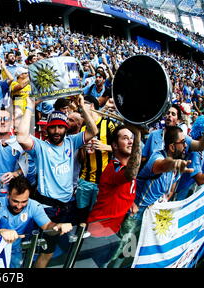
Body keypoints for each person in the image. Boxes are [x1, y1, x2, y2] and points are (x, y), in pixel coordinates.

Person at [16, 96, 98, 268]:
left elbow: (93, 131)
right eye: (53, 128)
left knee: (47, 248)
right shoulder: (41, 147)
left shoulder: (71, 142)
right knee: (46, 250)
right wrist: (30, 107)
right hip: (48, 208)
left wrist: (83, 107)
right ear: (47, 131)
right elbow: (22, 137)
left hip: (67, 205)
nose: (57, 131)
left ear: (66, 129)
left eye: (61, 127)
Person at [108, 125, 194, 268]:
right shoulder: (158, 158)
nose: (186, 146)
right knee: (123, 252)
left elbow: (169, 191)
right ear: (172, 147)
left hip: (153, 216)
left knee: (137, 252)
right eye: (183, 142)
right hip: (137, 214)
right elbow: (161, 165)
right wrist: (173, 164)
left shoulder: (179, 164)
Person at [85, 125, 143, 267]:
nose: (131, 142)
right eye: (125, 138)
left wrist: (131, 201)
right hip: (99, 232)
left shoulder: (125, 165)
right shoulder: (114, 168)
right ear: (115, 146)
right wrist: (138, 135)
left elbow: (125, 187)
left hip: (113, 231)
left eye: (132, 138)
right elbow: (131, 174)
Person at [0, 176, 73, 268]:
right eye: (15, 201)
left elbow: (47, 226)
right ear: (8, 195)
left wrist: (58, 227)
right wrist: (1, 231)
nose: (19, 206)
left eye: (24, 202)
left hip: (15, 249)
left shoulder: (34, 205)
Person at [77, 95, 117, 223]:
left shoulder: (109, 124)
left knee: (96, 218)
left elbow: (124, 149)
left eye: (84, 103)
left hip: (103, 182)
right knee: (81, 216)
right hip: (84, 181)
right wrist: (82, 149)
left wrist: (106, 147)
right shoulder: (83, 129)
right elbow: (80, 158)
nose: (80, 107)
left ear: (92, 106)